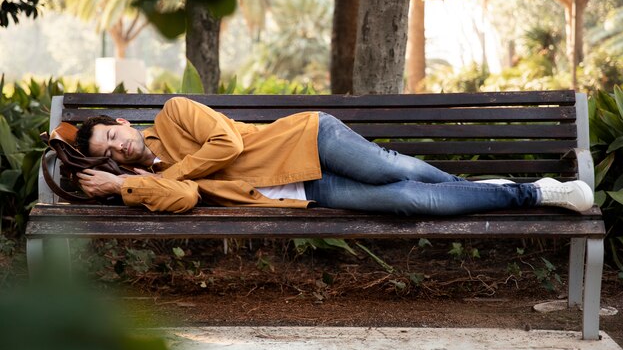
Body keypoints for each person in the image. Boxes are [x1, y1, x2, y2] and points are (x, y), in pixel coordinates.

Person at [74, 97, 594, 215]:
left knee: (392, 168)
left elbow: (227, 145)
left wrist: (166, 168)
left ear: (122, 124)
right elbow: (186, 197)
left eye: (114, 137)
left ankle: (535, 192)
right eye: (110, 156)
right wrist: (125, 186)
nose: (120, 148)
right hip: (301, 189)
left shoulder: (172, 113)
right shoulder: (148, 179)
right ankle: (523, 189)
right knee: (414, 203)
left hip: (306, 139)